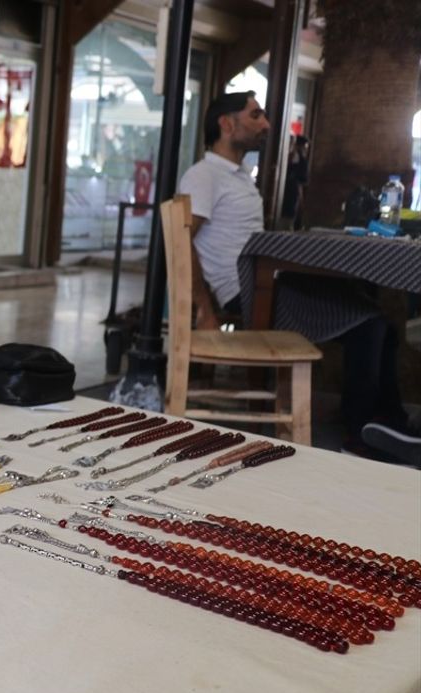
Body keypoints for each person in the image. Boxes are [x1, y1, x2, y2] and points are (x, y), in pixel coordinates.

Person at [179, 92, 419, 465]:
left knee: (380, 321)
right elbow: (181, 241)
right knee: (369, 324)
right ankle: (358, 436)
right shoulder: (203, 175)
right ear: (227, 125)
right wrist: (202, 307)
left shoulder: (237, 176)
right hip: (249, 293)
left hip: (270, 284)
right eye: (255, 115)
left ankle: (389, 425)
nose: (266, 124)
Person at [278, 135, 309, 231]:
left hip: (289, 192)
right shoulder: (299, 159)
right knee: (288, 219)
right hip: (290, 192)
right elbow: (300, 180)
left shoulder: (294, 157)